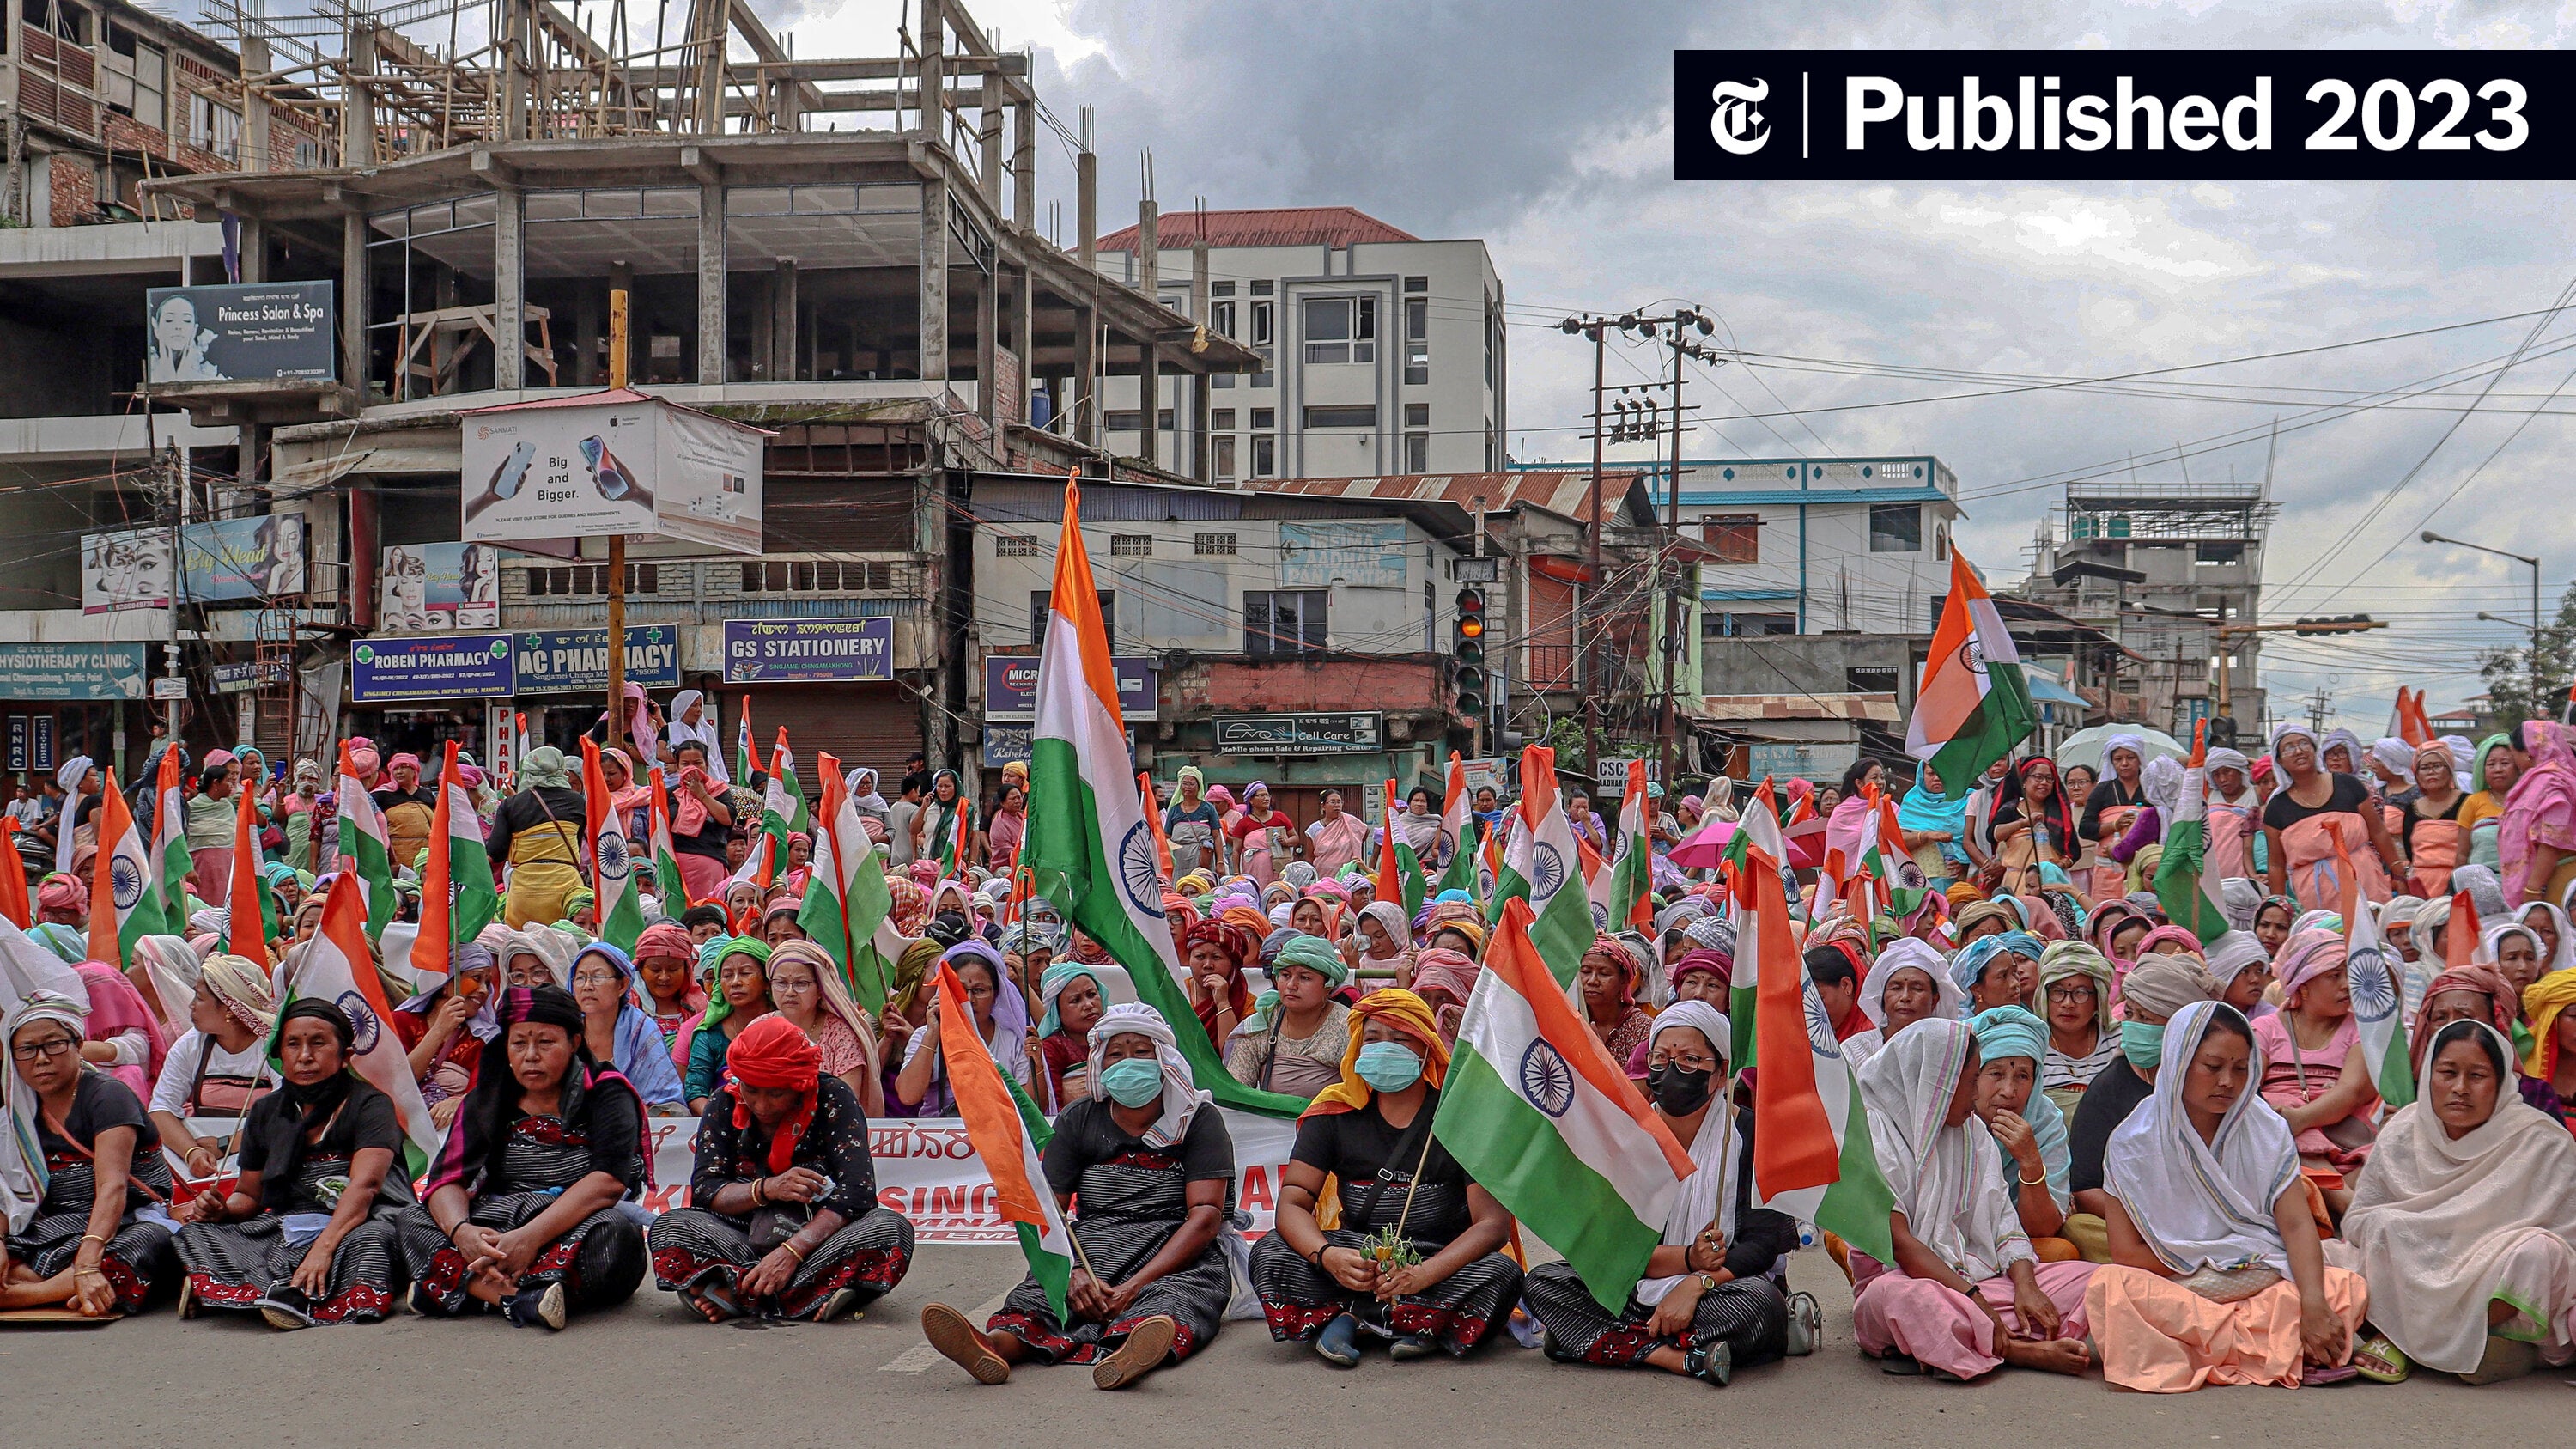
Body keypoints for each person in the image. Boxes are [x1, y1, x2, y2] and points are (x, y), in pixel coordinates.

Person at [923, 1003, 1234, 1389]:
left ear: (1164, 1060)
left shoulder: (1199, 1119)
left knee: (1171, 1300)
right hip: (1093, 1246)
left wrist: (1132, 1287)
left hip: (1175, 1251)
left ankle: (1129, 1355)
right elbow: (1048, 1210)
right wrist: (1071, 1273)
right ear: (1100, 1062)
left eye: (1141, 1051)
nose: (1128, 1062)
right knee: (1044, 1296)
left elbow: (1205, 1217)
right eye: (1116, 1054)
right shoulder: (1079, 1117)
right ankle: (993, 1347)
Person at [2085, 1001, 2370, 1391]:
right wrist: (2213, 1268)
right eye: (2213, 1066)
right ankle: (2274, 1349)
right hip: (2180, 1283)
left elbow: (2296, 1225)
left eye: (2240, 1069)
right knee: (2112, 1287)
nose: (2227, 1082)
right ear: (2179, 1061)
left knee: (2345, 1287)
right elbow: (2126, 1253)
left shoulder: (2267, 1129)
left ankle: (2207, 1350)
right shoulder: (2132, 1142)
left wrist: (2313, 1303)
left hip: (2260, 1277)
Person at [1525, 1000, 1813, 1382]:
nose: (1672, 1070)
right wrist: (1689, 1259)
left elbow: (1761, 1245)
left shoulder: (1752, 1136)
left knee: (1759, 1306)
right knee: (1544, 1282)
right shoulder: (1629, 1135)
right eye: (1661, 1059)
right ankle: (1675, 1358)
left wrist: (1696, 1284)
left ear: (1721, 1071)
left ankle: (1596, 1340)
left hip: (1720, 1289)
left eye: (1690, 1060)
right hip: (1637, 1283)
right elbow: (1609, 1247)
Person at [1253, 989, 1522, 1363]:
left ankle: (1356, 1318)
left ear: (1427, 1048)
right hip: (1358, 1254)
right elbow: (1294, 1201)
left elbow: (1492, 1225)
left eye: (1399, 1038)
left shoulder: (1460, 1115)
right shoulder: (1332, 1113)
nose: (1384, 1048)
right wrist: (1330, 1257)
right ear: (1356, 1048)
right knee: (1271, 1251)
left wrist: (1424, 1273)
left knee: (1501, 1273)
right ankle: (1414, 1322)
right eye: (1373, 1038)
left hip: (1438, 1257)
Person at [1850, 1019, 2096, 1379]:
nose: (1977, 1097)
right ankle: (2016, 1349)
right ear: (1936, 1084)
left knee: (2092, 1279)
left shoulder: (1973, 1132)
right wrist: (1975, 1300)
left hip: (1979, 1283)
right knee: (1900, 1298)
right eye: (1971, 1082)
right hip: (1913, 1284)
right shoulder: (1874, 1136)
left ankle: (1972, 1337)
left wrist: (2026, 1286)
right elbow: (1900, 1246)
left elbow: (2004, 1222)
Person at [2335, 1019, 2576, 1383]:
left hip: (2493, 1264)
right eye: (2448, 1073)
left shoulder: (2543, 1140)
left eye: (2477, 1076)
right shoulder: (2404, 1128)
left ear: (2502, 1082)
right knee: (2382, 1226)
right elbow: (2361, 1217)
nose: (2460, 1088)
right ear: (2428, 1075)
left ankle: (2411, 1341)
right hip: (2421, 1256)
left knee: (2540, 1253)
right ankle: (2468, 1349)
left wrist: (2469, 1243)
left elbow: (2567, 1234)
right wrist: (2427, 1234)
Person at [395, 986, 648, 1329]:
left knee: (615, 1231)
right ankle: (518, 1298)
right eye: (518, 1043)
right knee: (413, 1218)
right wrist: (463, 1233)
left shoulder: (607, 1092)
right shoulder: (485, 1099)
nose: (531, 1056)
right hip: (502, 1223)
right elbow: (448, 1179)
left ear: (574, 1043)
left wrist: (530, 1239)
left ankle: (459, 1288)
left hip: (570, 1221)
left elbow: (609, 1182)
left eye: (546, 1043)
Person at [649, 1014, 913, 1324]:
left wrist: (793, 1252)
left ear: (801, 1085)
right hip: (743, 1233)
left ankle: (738, 1291)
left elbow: (857, 1193)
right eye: (752, 1090)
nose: (761, 1105)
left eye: (776, 1093)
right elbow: (707, 1191)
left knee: (890, 1228)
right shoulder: (723, 1102)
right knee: (670, 1227)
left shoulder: (834, 1097)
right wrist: (766, 1189)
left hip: (818, 1238)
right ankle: (809, 1293)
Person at [171, 1001, 414, 1327]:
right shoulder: (266, 1111)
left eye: (318, 1043)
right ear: (280, 1055)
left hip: (356, 1221)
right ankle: (279, 1293)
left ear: (345, 1055)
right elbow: (249, 1195)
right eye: (293, 1045)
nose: (305, 1056)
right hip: (287, 1223)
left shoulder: (371, 1104)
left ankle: (256, 1293)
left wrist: (323, 1248)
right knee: (197, 1233)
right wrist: (222, 1211)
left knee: (374, 1239)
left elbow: (366, 1186)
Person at [1, 992, 179, 1315]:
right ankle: (64, 1288)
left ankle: (28, 1293)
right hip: (57, 1226)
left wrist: (87, 1263)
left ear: (78, 1044)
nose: (41, 1059)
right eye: (27, 1049)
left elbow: (112, 1186)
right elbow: (8, 1191)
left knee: (142, 1244)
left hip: (124, 1219)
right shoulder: (18, 1109)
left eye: (54, 1044)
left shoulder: (107, 1096)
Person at [2066, 953, 2221, 1260]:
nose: (2133, 1026)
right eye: (2130, 1014)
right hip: (2139, 1224)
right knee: (2080, 1229)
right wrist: (2153, 1221)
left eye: (2146, 1019)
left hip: (2218, 1213)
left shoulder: (2220, 1081)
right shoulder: (2109, 1088)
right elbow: (2085, 1187)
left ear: (2181, 1027)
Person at [2251, 931, 2379, 1213]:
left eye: (2348, 974)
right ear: (2304, 985)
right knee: (2274, 1113)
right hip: (2283, 1141)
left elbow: (2351, 1091)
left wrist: (2301, 1118)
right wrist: (2287, 1118)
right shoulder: (2265, 1029)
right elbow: (2249, 1088)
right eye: (2334, 976)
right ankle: (2349, 1208)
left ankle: (2337, 1202)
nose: (2347, 985)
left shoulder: (2360, 1029)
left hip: (2345, 1140)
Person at [147, 953, 277, 1177]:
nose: (191, 1005)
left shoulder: (274, 1048)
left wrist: (225, 1145)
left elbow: (287, 1114)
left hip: (264, 1157)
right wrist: (192, 1152)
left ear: (229, 1009)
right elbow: (161, 1110)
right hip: (209, 1161)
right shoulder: (191, 1045)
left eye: (199, 997)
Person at [2263, 723, 2403, 914]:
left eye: (2304, 743)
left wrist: (2397, 869)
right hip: (2316, 896)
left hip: (2364, 881)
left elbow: (2377, 831)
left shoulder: (2348, 785)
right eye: (2289, 748)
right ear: (2279, 760)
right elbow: (2276, 864)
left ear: (2315, 750)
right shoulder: (2277, 807)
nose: (2298, 751)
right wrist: (2279, 906)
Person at [1968, 1006, 2073, 1255]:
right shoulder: (1951, 1117)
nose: (2008, 1091)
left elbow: (2044, 1229)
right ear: (1973, 1077)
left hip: (2022, 1244)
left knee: (2062, 1250)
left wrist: (2029, 1160)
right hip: (1953, 1244)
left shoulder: (2044, 1121)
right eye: (1996, 1073)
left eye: (2023, 1076)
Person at [894, 941, 1030, 1112]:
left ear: (996, 994)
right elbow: (908, 1095)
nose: (969, 1000)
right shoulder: (925, 1036)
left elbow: (1029, 1107)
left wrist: (1038, 1063)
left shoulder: (1012, 1040)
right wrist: (932, 1034)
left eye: (979, 990)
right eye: (959, 990)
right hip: (941, 1129)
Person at [763, 940, 884, 1117]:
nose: (790, 992)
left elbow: (844, 1101)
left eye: (801, 983)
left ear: (821, 989)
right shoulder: (758, 1028)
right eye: (781, 983)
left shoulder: (841, 1034)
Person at [566, 943, 688, 1112]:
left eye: (598, 977)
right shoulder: (565, 1030)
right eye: (580, 978)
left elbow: (667, 1103)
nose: (587, 986)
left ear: (622, 985)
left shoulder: (641, 1031)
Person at [1226, 935, 1352, 1099]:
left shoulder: (1347, 1027)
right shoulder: (1260, 1025)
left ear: (1328, 986)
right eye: (1285, 975)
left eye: (1305, 978)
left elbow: (1359, 1093)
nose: (1292, 985)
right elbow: (1238, 1091)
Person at [491, 748, 586, 929]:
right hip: (566, 887)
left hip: (525, 890)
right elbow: (577, 843)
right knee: (567, 939)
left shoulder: (512, 804)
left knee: (522, 941)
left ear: (528, 770)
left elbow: (496, 852)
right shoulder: (578, 802)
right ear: (561, 769)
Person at [1841, 939, 1963, 1067]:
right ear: (1883, 997)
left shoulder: (1950, 1051)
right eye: (1895, 988)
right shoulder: (1856, 1050)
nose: (1905, 997)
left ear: (1934, 1000)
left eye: (1917, 989)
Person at [686, 938, 775, 1113]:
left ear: (767, 981)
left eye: (745, 973)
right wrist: (720, 1121)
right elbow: (695, 1091)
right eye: (727, 976)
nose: (735, 982)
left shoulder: (789, 1026)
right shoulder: (710, 1035)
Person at [2034, 941, 2117, 1116]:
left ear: (2099, 999)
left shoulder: (2119, 1041)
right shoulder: (2031, 1046)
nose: (2068, 1003)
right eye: (2058, 991)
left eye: (2081, 993)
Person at [2502, 721, 2576, 907]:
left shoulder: (2552, 781)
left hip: (2554, 884)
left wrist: (2533, 889)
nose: (2513, 760)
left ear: (2528, 752)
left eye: (2513, 753)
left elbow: (2552, 838)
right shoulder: (2541, 779)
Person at [2397, 740, 2469, 899]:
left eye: (2437, 766)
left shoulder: (2467, 803)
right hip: (2420, 887)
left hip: (2458, 882)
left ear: (2449, 770)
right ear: (2417, 775)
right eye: (2424, 768)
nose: (2431, 772)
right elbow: (2409, 852)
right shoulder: (2412, 809)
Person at [1182, 919, 1260, 1052]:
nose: (1208, 965)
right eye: (1200, 957)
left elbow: (1232, 1054)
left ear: (1233, 963)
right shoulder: (1177, 992)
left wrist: (1223, 1003)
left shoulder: (1248, 1005)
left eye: (1216, 957)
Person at [1577, 939, 1654, 1066]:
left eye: (1604, 974)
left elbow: (1642, 1078)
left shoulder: (1642, 1028)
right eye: (1585, 971)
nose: (1592, 981)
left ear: (1623, 981)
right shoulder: (1574, 1021)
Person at [185, 751, 240, 906]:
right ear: (216, 783)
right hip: (201, 864)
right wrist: (188, 868)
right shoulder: (192, 807)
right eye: (227, 781)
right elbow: (183, 838)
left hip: (227, 863)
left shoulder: (227, 806)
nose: (232, 785)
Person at [373, 754, 438, 881]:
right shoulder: (381, 795)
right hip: (398, 857)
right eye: (396, 769)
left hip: (425, 857)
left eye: (404, 767)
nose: (399, 772)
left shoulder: (426, 795)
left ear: (414, 771)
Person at [1228, 782, 1297, 887]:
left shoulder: (1279, 817)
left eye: (1267, 795)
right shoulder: (1243, 823)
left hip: (1278, 866)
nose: (1266, 798)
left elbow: (1295, 838)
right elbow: (1236, 851)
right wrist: (1237, 874)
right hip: (1254, 869)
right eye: (1262, 795)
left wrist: (1286, 841)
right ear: (1251, 800)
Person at [1163, 768, 1224, 879]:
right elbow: (1166, 837)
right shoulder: (1174, 810)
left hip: (1202, 858)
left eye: (1192, 784)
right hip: (1180, 860)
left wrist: (1220, 862)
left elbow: (1217, 836)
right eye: (1185, 783)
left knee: (1202, 884)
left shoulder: (1208, 808)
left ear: (1199, 786)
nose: (1188, 787)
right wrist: (1177, 850)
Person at [914, 769, 973, 874]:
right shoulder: (931, 808)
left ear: (956, 787)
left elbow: (974, 839)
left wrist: (973, 862)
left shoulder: (965, 809)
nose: (943, 790)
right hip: (929, 866)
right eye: (939, 786)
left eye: (947, 786)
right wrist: (923, 808)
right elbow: (915, 831)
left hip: (955, 866)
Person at [665, 690, 726, 785]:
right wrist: (677, 766)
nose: (699, 710)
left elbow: (715, 757)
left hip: (708, 781)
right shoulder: (670, 729)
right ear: (683, 707)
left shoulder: (707, 730)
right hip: (675, 782)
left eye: (700, 705)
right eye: (694, 705)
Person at [1306, 789, 1369, 876]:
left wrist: (1355, 843)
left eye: (1339, 802)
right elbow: (1310, 857)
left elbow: (1365, 831)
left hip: (1346, 875)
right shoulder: (1314, 829)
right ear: (1323, 806)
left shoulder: (1350, 822)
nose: (1337, 805)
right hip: (1322, 875)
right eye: (1333, 802)